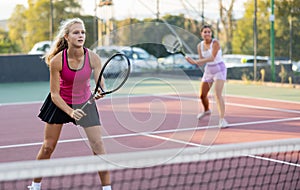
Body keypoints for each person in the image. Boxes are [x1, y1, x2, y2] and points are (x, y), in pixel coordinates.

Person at [27, 18, 112, 190]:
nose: (80, 35)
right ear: (67, 37)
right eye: (76, 32)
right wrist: (71, 112)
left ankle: (107, 188)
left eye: (82, 32)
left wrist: (101, 90)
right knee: (48, 147)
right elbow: (54, 94)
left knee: (98, 147)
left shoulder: (93, 58)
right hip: (60, 103)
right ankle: (35, 186)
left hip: (85, 103)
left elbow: (100, 82)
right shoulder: (57, 61)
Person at [185, 24, 228, 128]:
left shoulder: (215, 43)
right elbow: (201, 62)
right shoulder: (200, 46)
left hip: (219, 69)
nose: (207, 34)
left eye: (209, 32)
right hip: (208, 70)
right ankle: (206, 110)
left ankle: (222, 120)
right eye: (205, 32)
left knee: (217, 94)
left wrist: (195, 61)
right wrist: (191, 61)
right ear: (201, 34)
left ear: (211, 33)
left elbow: (212, 58)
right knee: (202, 95)